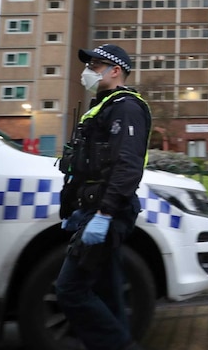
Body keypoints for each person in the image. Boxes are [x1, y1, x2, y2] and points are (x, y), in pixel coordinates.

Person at [55, 44, 152, 350]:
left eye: (95, 65)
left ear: (115, 71)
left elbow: (127, 166)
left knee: (70, 290)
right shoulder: (104, 106)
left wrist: (104, 215)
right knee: (108, 293)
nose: (88, 71)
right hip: (93, 210)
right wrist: (73, 207)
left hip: (107, 212)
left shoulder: (126, 108)